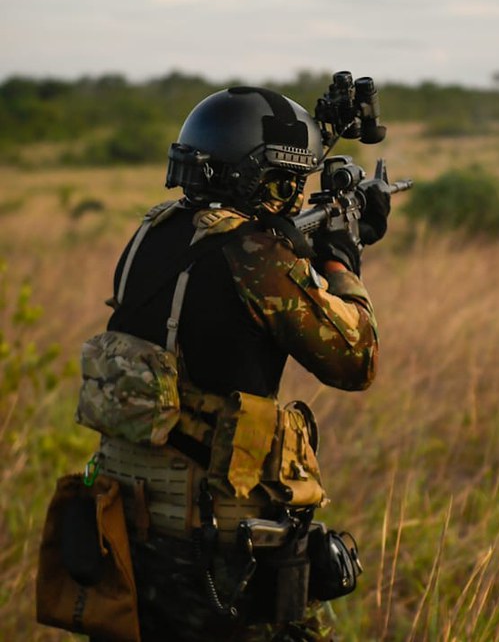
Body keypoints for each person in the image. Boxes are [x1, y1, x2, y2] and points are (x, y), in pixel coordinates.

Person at [88, 85, 390, 641]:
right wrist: (343, 259)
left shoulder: (152, 232)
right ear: (262, 178)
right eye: (288, 184)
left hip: (125, 521)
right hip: (216, 536)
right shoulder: (256, 255)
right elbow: (356, 360)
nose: (295, 199)